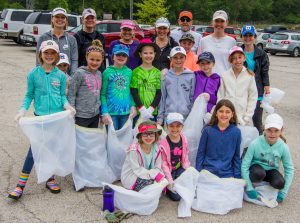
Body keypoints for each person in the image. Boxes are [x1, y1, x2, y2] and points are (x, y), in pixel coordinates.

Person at [8, 40, 75, 200]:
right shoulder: (33, 74)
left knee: (52, 149)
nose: (49, 56)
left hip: (56, 119)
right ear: (41, 54)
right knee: (34, 151)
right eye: (46, 53)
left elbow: (62, 97)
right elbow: (29, 95)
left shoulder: (60, 75)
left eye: (53, 53)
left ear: (57, 55)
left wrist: (67, 107)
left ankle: (50, 179)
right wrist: (22, 111)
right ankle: (20, 185)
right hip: (40, 118)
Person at [242, 113, 294, 203]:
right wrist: (249, 187)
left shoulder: (283, 147)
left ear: (281, 130)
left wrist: (283, 192)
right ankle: (253, 183)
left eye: (276, 130)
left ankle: (265, 183)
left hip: (271, 170)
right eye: (269, 130)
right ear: (264, 129)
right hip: (256, 169)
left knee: (280, 183)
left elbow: (289, 169)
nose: (272, 134)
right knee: (259, 174)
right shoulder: (255, 143)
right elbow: (244, 165)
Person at [195, 99, 241, 178]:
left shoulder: (236, 132)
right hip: (208, 172)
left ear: (232, 114)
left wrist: (237, 176)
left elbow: (236, 157)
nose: (224, 114)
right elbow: (200, 153)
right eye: (221, 111)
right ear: (216, 113)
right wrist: (198, 172)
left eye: (227, 112)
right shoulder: (207, 131)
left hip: (227, 173)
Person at [241, 25, 270, 134]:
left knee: (257, 119)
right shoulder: (238, 52)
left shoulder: (261, 54)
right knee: (243, 118)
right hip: (242, 90)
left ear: (255, 37)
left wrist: (267, 87)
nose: (247, 38)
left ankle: (259, 141)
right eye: (245, 35)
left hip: (257, 90)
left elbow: (264, 72)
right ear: (241, 37)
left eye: (250, 35)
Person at [217, 46, 258, 125]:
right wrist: (221, 113)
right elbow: (220, 96)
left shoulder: (249, 76)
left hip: (243, 117)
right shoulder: (224, 76)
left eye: (240, 57)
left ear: (244, 58)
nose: (237, 60)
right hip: (227, 117)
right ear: (230, 60)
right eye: (234, 58)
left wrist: (247, 116)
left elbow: (253, 97)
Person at [68, 40, 103, 128]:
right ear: (86, 57)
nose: (94, 62)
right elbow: (72, 93)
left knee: (91, 139)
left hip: (95, 115)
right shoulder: (79, 73)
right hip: (80, 115)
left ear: (102, 60)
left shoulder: (99, 74)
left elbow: (98, 94)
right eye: (91, 59)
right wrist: (71, 112)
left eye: (98, 60)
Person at [101, 44, 137, 130]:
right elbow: (102, 94)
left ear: (127, 58)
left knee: (125, 140)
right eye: (118, 55)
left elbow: (131, 91)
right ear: (113, 56)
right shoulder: (107, 72)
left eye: (124, 55)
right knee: (112, 139)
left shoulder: (129, 72)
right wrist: (104, 111)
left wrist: (133, 106)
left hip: (126, 112)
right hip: (111, 113)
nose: (121, 57)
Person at [121, 121, 164, 191]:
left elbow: (158, 167)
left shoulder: (157, 149)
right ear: (140, 135)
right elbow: (136, 169)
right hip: (133, 176)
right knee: (153, 188)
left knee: (162, 183)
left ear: (156, 135)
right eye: (145, 134)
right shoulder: (134, 150)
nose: (148, 137)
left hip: (149, 175)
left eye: (151, 134)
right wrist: (153, 175)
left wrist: (155, 175)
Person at [157, 46, 195, 125]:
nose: (178, 60)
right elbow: (163, 97)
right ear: (171, 59)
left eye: (181, 57)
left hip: (185, 117)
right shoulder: (166, 75)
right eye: (175, 57)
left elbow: (192, 97)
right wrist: (160, 117)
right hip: (169, 116)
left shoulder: (191, 75)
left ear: (185, 58)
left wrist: (191, 115)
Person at [36, 7, 78, 74]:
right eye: (57, 17)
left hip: (66, 78)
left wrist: (72, 77)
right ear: (52, 19)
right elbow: (39, 60)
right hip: (48, 77)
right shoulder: (43, 38)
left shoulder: (72, 39)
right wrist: (41, 76)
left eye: (63, 17)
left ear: (66, 20)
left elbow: (74, 60)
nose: (60, 19)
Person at [160, 113, 190, 201]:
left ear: (182, 126)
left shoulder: (183, 138)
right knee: (176, 197)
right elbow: (164, 164)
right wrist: (169, 180)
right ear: (167, 126)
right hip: (169, 171)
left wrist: (187, 167)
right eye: (171, 126)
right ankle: (166, 187)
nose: (175, 129)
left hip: (179, 168)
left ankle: (177, 181)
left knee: (191, 182)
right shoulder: (163, 143)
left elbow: (185, 154)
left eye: (178, 126)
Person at [130, 39, 161, 122]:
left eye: (151, 53)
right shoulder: (136, 71)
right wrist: (142, 109)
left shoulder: (157, 73)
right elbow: (134, 91)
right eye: (145, 53)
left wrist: (151, 109)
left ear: (154, 54)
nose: (148, 55)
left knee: (151, 134)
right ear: (140, 54)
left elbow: (158, 93)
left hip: (152, 112)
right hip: (139, 112)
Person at [197, 10, 236, 75]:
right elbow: (199, 63)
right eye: (216, 21)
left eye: (222, 21)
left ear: (226, 23)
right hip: (208, 80)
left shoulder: (232, 41)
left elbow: (234, 63)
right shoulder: (203, 40)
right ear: (212, 22)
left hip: (225, 81)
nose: (219, 24)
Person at [74, 8, 106, 73]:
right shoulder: (77, 37)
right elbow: (75, 60)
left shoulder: (101, 37)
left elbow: (103, 58)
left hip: (99, 74)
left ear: (96, 20)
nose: (90, 20)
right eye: (87, 18)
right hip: (83, 74)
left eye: (92, 18)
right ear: (82, 20)